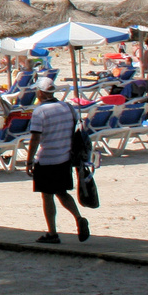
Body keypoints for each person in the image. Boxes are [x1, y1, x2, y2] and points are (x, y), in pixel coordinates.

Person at [24, 78, 89, 243]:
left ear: (40, 92)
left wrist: (29, 161)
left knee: (47, 196)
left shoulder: (40, 112)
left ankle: (52, 233)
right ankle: (78, 217)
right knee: (62, 192)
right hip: (65, 157)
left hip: (46, 159)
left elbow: (35, 139)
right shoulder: (68, 107)